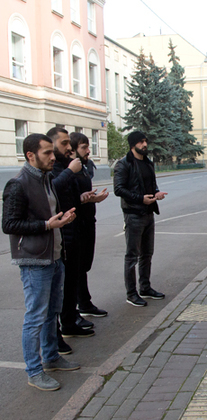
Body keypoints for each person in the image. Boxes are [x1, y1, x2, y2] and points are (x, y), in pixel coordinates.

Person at [2, 133, 80, 391]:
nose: (53, 156)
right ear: (30, 155)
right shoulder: (18, 184)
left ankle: (51, 358)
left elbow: (49, 214)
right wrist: (47, 224)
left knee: (51, 312)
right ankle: (34, 371)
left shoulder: (46, 178)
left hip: (54, 256)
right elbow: (9, 225)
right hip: (34, 260)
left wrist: (62, 217)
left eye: (51, 151)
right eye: (47, 152)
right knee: (35, 316)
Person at [48, 127, 95, 351]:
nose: (69, 148)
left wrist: (84, 198)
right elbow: (52, 193)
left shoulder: (65, 167)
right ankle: (57, 335)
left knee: (71, 281)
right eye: (64, 144)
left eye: (69, 144)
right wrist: (69, 172)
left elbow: (68, 197)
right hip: (59, 236)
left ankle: (70, 321)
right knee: (58, 288)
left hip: (73, 230)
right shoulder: (55, 169)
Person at [114, 131, 167, 307]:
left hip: (148, 213)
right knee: (132, 256)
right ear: (133, 145)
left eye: (145, 141)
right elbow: (119, 189)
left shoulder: (147, 163)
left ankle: (145, 287)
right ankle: (131, 293)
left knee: (147, 254)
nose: (145, 144)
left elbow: (151, 184)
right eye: (141, 142)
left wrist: (157, 193)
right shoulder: (124, 164)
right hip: (133, 214)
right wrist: (140, 198)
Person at [70, 132, 109, 319]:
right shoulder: (69, 171)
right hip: (76, 224)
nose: (88, 150)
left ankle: (84, 303)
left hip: (87, 221)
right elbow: (68, 198)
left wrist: (93, 198)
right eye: (84, 147)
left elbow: (82, 194)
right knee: (76, 267)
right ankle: (79, 305)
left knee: (84, 265)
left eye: (88, 146)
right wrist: (84, 199)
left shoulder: (84, 168)